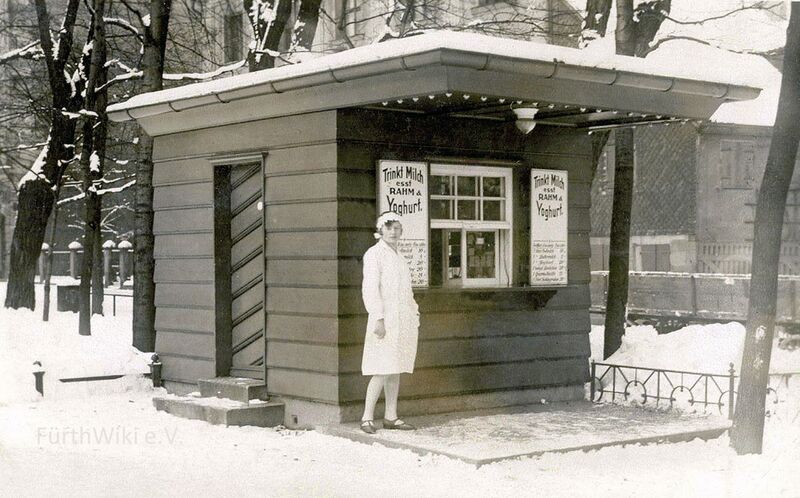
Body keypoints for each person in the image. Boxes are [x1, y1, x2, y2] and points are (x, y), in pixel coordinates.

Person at [359, 211, 420, 434]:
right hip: (384, 320)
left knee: (395, 368)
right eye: (389, 227)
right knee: (381, 368)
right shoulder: (374, 254)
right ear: (380, 230)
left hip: (402, 320)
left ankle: (391, 416)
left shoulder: (400, 257)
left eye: (397, 228)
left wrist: (414, 313)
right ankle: (367, 417)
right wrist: (378, 318)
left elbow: (407, 291)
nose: (393, 232)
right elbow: (370, 289)